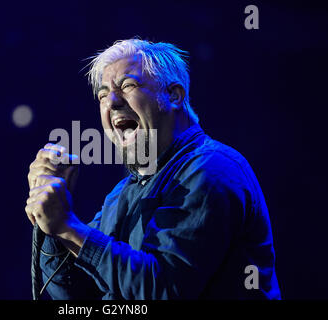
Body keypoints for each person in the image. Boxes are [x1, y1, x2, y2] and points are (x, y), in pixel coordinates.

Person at [25, 39, 281, 299]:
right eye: (103, 95)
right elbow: (73, 294)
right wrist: (53, 224)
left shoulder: (212, 169)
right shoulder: (121, 194)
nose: (111, 102)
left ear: (173, 95)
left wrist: (68, 226)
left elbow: (164, 289)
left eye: (128, 85)